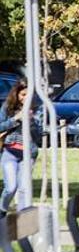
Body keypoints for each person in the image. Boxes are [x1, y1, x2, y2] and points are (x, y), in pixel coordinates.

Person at [0, 81, 41, 218]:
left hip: (28, 153)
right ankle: (2, 210)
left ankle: (22, 220)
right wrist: (16, 119)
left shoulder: (37, 109)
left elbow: (38, 136)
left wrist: (31, 122)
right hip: (9, 152)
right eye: (23, 94)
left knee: (24, 188)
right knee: (11, 187)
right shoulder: (7, 108)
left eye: (29, 94)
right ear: (16, 94)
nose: (25, 98)